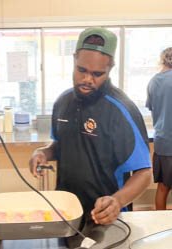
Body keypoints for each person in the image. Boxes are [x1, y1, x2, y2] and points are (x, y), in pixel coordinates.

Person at [29, 27, 152, 225]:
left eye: (97, 74)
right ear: (74, 60)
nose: (87, 79)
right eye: (82, 70)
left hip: (105, 217)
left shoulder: (122, 110)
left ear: (110, 68)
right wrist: (43, 153)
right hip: (65, 212)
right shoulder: (62, 102)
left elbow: (144, 173)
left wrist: (117, 200)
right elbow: (61, 145)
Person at [146, 47, 172, 210]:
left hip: (163, 143)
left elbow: (153, 108)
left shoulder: (153, 82)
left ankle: (161, 229)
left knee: (162, 187)